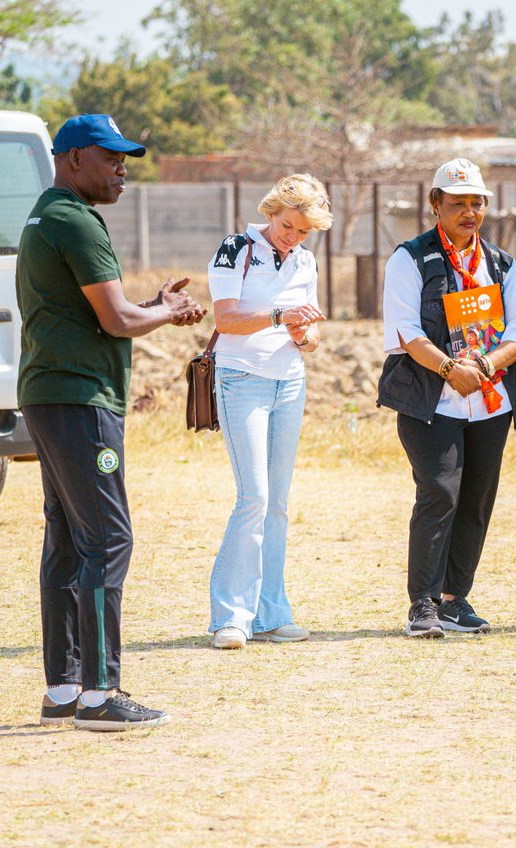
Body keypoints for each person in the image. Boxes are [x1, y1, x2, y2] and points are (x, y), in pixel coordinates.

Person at [18, 114, 205, 730]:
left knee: (68, 541)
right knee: (107, 538)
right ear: (72, 158)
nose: (122, 167)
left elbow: (110, 312)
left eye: (126, 157)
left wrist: (154, 309)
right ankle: (101, 695)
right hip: (81, 400)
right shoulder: (77, 221)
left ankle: (65, 689)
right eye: (109, 157)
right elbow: (117, 322)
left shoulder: (46, 214)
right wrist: (164, 311)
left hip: (49, 394)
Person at [378, 158, 516, 638]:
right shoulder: (410, 258)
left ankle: (455, 600)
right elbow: (406, 331)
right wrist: (450, 368)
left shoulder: (500, 262)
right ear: (435, 206)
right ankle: (422, 605)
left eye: (476, 203)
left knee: (476, 500)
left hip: (490, 402)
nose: (468, 212)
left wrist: (487, 367)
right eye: (457, 203)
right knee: (439, 492)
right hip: (431, 400)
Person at [206, 174, 331, 650]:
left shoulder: (305, 260)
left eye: (303, 231)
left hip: (289, 381)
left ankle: (271, 612)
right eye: (287, 225)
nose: (293, 237)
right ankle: (231, 617)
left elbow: (312, 339)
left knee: (277, 501)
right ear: (271, 210)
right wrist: (280, 317)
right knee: (253, 497)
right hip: (241, 379)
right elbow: (226, 318)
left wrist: (302, 333)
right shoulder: (236, 247)